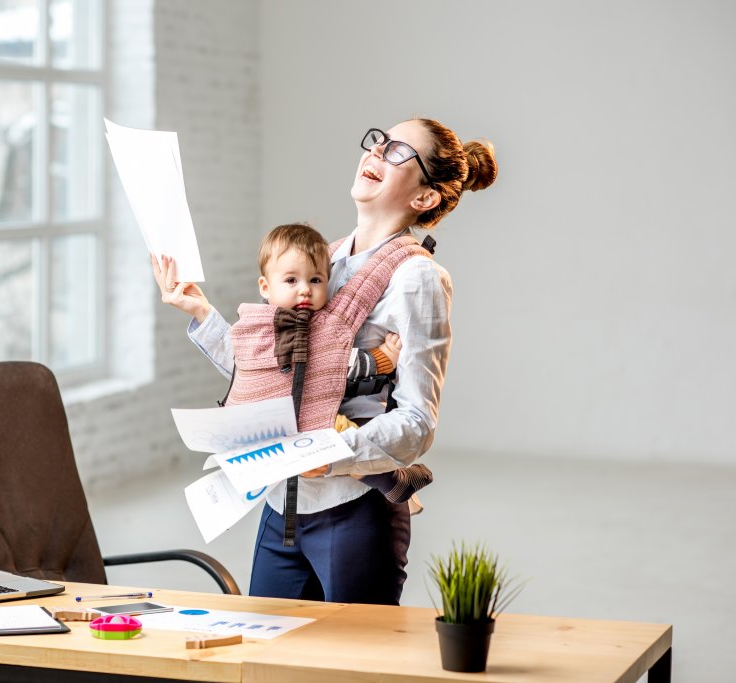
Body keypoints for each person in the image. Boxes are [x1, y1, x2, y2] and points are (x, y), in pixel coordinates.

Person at [153, 118, 497, 605]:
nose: (377, 151)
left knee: (353, 667)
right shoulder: (319, 262)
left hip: (352, 513)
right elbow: (268, 373)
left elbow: (418, 423)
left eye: (399, 151)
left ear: (424, 198)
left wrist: (330, 455)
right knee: (268, 660)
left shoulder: (417, 278)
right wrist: (200, 312)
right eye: (379, 140)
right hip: (281, 506)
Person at [238, 222, 434, 505]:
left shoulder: (314, 324)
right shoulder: (266, 325)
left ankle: (393, 482)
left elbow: (341, 361)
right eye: (291, 281)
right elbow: (331, 361)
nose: (305, 290)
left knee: (344, 434)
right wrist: (384, 358)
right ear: (265, 287)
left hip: (302, 422)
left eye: (315, 280)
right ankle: (394, 481)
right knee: (339, 435)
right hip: (277, 423)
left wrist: (382, 358)